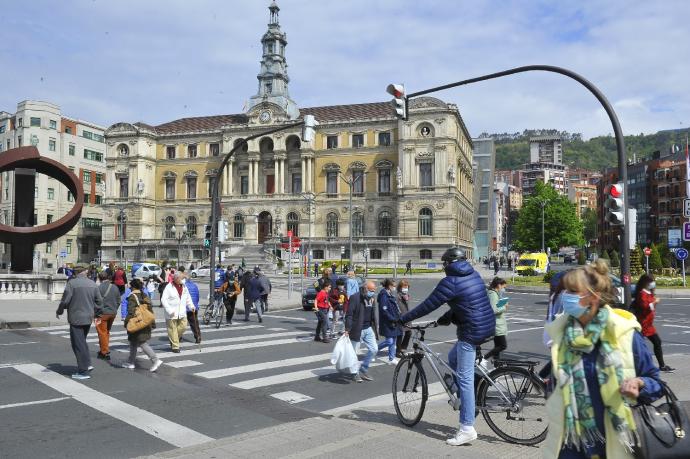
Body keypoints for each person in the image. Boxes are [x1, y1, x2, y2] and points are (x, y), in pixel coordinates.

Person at [543, 261, 663, 459]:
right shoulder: (563, 336)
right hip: (571, 446)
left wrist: (639, 384)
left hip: (617, 445)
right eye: (566, 290)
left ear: (593, 297)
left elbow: (655, 381)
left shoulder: (625, 335)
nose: (566, 297)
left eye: (573, 291)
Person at [400, 247, 495, 446]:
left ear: (449, 263)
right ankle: (468, 400)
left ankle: (467, 427)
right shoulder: (473, 274)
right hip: (486, 326)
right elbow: (468, 301)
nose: (443, 267)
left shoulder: (450, 281)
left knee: (465, 379)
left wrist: (403, 319)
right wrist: (446, 318)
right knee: (453, 359)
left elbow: (428, 305)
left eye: (444, 264)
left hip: (471, 332)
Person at [55, 266, 103, 380]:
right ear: (85, 271)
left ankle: (83, 370)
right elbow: (100, 301)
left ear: (75, 272)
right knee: (82, 342)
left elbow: (65, 300)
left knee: (77, 343)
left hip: (76, 317)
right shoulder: (92, 284)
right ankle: (87, 363)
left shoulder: (72, 283)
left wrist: (59, 311)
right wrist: (97, 313)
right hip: (88, 317)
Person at [632, 274, 674, 372]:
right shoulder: (642, 293)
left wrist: (654, 301)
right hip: (642, 325)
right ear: (645, 283)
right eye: (651, 282)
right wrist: (654, 302)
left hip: (648, 325)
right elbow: (645, 306)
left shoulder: (649, 293)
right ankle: (641, 366)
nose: (653, 284)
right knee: (639, 346)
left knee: (657, 342)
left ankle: (662, 365)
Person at [122, 278, 162, 372]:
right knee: (133, 342)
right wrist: (153, 324)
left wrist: (126, 323)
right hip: (145, 322)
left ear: (132, 287)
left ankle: (155, 360)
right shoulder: (144, 295)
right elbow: (150, 311)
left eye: (130, 286)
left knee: (141, 342)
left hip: (137, 323)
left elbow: (131, 312)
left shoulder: (132, 296)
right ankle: (131, 362)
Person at [344, 281, 379, 382]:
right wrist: (347, 329)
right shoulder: (355, 297)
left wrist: (376, 325)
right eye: (371, 291)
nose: (373, 292)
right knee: (354, 353)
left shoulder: (372, 298)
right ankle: (355, 373)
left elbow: (374, 312)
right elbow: (349, 314)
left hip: (368, 328)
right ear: (365, 289)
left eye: (374, 291)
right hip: (357, 328)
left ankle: (364, 368)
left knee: (374, 349)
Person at [160, 272, 195, 353]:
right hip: (171, 312)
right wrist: (169, 310)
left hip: (182, 311)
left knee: (183, 327)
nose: (183, 280)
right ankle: (175, 346)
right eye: (181, 278)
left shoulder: (184, 286)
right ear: (176, 279)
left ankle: (173, 339)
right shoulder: (169, 287)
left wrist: (191, 306)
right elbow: (163, 300)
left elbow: (188, 297)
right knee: (172, 329)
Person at [95, 271, 121, 361]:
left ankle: (104, 352)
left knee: (102, 332)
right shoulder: (114, 287)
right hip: (112, 313)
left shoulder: (98, 288)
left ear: (99, 278)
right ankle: (104, 348)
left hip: (102, 314)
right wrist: (114, 309)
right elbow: (118, 300)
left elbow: (95, 302)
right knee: (106, 332)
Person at [377, 278, 403, 364]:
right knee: (389, 341)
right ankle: (374, 349)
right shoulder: (384, 295)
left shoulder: (389, 294)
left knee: (393, 340)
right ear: (389, 286)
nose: (395, 288)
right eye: (394, 286)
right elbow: (384, 310)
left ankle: (391, 358)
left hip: (393, 321)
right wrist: (392, 318)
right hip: (387, 322)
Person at [483, 277, 508, 365]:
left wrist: (502, 303)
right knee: (502, 345)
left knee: (497, 346)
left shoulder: (494, 293)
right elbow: (493, 309)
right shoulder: (493, 294)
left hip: (498, 323)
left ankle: (497, 366)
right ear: (498, 285)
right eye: (503, 287)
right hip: (497, 324)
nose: (503, 289)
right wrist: (504, 307)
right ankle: (484, 358)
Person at [395, 279, 412, 357]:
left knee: (409, 333)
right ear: (400, 288)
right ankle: (398, 351)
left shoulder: (407, 296)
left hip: (407, 317)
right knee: (400, 334)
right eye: (404, 287)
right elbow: (396, 307)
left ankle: (403, 348)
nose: (405, 289)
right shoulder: (398, 296)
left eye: (407, 287)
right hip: (401, 318)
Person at [185, 275, 202, 344]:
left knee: (180, 323)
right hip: (194, 306)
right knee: (194, 323)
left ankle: (178, 337)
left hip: (185, 307)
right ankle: (198, 336)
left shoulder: (183, 286)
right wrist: (196, 304)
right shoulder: (194, 285)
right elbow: (197, 296)